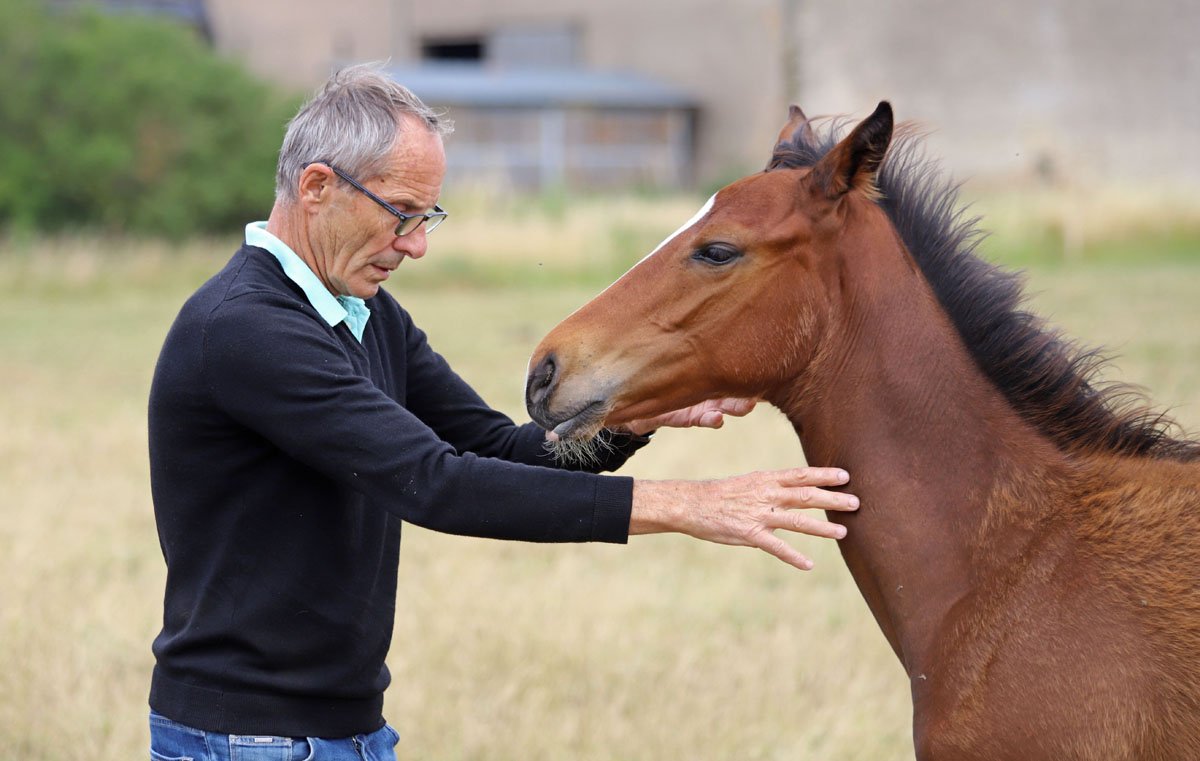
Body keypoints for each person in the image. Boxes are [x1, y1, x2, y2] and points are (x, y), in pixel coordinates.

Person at [146, 64, 859, 761]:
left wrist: (629, 422)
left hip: (349, 732)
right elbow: (436, 482)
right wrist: (688, 505)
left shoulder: (368, 314)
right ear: (317, 187)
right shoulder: (246, 329)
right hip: (248, 739)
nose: (417, 244)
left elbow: (499, 448)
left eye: (428, 217)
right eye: (401, 213)